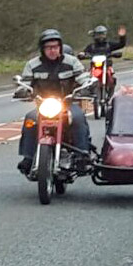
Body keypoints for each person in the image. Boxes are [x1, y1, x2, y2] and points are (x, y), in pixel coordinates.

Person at [16, 29, 93, 176]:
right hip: (43, 105)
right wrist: (23, 91)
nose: (52, 50)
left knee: (78, 118)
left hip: (67, 104)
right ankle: (28, 156)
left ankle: (82, 156)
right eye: (49, 47)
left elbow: (83, 78)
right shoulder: (33, 65)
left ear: (61, 47)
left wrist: (87, 86)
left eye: (55, 47)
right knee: (30, 120)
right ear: (42, 49)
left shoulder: (71, 62)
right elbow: (25, 83)